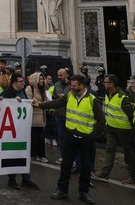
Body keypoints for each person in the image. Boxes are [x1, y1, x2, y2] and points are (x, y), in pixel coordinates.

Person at [36, 74, 104, 204]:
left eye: (74, 86)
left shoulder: (92, 100)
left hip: (86, 139)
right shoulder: (70, 95)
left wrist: (92, 137)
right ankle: (62, 190)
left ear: (82, 86)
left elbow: (101, 121)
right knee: (66, 164)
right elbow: (57, 103)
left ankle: (83, 192)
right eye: (71, 85)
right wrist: (39, 105)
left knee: (86, 167)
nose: (71, 88)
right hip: (70, 136)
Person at [93, 74, 135, 185]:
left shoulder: (122, 97)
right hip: (111, 128)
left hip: (123, 129)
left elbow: (130, 114)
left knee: (128, 152)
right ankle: (105, 172)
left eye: (105, 82)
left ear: (111, 84)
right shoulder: (108, 94)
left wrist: (132, 129)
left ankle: (134, 177)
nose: (103, 84)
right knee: (110, 149)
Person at [2, 73, 42, 190]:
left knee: (24, 153)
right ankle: (12, 179)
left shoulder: (23, 91)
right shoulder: (7, 93)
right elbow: (0, 103)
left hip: (23, 129)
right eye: (20, 81)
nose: (23, 83)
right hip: (12, 130)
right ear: (14, 82)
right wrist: (11, 101)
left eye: (23, 81)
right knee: (13, 154)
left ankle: (26, 179)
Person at [26, 72, 50, 165]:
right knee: (35, 136)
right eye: (40, 78)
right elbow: (29, 99)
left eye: (42, 78)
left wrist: (44, 103)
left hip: (42, 115)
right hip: (34, 116)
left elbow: (47, 100)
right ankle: (33, 154)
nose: (42, 80)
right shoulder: (30, 88)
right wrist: (37, 102)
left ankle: (41, 155)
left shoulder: (43, 89)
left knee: (40, 136)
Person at [53, 68, 72, 164]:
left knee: (70, 138)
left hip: (69, 114)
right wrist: (56, 96)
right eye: (58, 75)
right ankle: (63, 156)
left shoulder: (71, 85)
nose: (59, 77)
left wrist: (65, 97)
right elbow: (53, 95)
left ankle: (71, 158)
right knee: (61, 137)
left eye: (61, 75)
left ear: (66, 75)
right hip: (59, 114)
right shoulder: (57, 85)